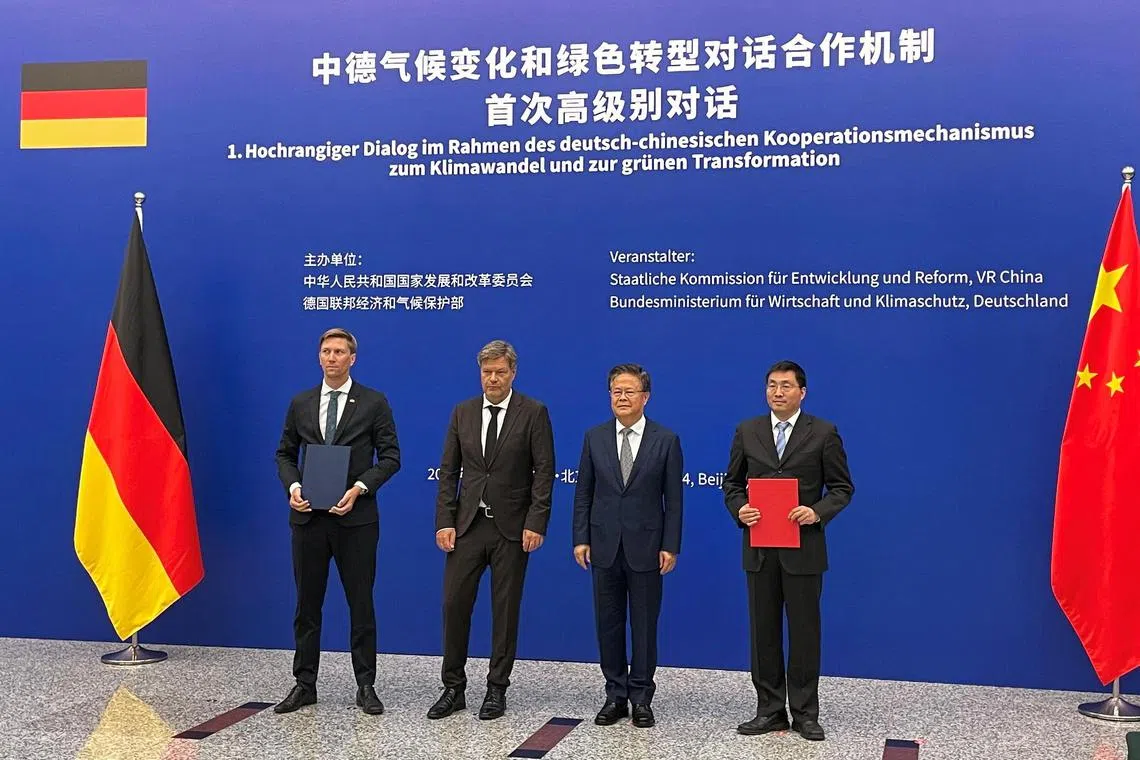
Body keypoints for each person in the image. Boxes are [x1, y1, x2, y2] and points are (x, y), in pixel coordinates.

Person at [722, 360, 853, 742]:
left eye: (785, 386)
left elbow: (843, 488)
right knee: (763, 633)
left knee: (804, 633)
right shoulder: (747, 430)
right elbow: (732, 484)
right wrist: (739, 509)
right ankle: (770, 710)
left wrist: (816, 512)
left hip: (804, 550)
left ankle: (806, 712)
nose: (777, 392)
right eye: (771, 386)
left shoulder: (824, 433)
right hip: (760, 547)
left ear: (802, 392)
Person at [272, 328, 401, 715]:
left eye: (339, 351)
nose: (331, 357)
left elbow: (391, 457)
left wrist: (361, 487)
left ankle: (365, 685)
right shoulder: (301, 402)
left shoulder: (374, 402)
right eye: (326, 351)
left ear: (352, 359)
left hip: (356, 519)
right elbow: (284, 454)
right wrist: (293, 485)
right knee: (307, 605)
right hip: (308, 519)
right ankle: (304, 683)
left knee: (360, 604)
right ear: (319, 357)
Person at [429, 340, 555, 721]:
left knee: (504, 610)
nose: (494, 379)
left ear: (513, 373)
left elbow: (544, 472)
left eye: (500, 372)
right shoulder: (463, 412)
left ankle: (496, 689)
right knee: (454, 606)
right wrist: (444, 521)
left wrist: (536, 522)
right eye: (487, 372)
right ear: (479, 373)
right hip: (466, 527)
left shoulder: (533, 412)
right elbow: (448, 472)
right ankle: (453, 687)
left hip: (512, 529)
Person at [572, 363, 683, 729]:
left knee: (645, 625)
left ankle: (641, 697)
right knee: (609, 623)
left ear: (645, 397)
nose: (621, 397)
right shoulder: (594, 437)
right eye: (616, 391)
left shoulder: (665, 440)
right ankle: (615, 695)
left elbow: (674, 500)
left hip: (648, 547)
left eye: (629, 391)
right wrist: (580, 537)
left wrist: (670, 544)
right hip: (603, 545)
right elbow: (584, 493)